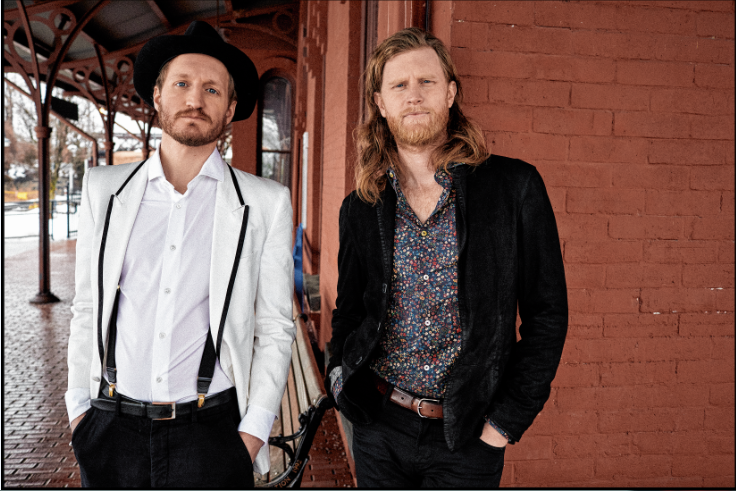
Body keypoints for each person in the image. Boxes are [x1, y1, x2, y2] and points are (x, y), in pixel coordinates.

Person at [324, 27, 568, 488]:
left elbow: (547, 314)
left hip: (469, 436)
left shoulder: (514, 188)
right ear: (380, 103)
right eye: (399, 86)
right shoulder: (362, 205)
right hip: (379, 426)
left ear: (451, 92)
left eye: (427, 82)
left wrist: (504, 424)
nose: (413, 96)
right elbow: (350, 310)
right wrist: (340, 380)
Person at [65, 21, 295, 488]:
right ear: (158, 95)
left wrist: (253, 432)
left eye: (213, 89)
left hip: (212, 435)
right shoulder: (103, 190)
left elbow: (275, 325)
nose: (195, 99)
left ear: (231, 108)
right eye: (182, 84)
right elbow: (87, 306)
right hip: (110, 427)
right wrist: (77, 411)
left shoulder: (264, 202)